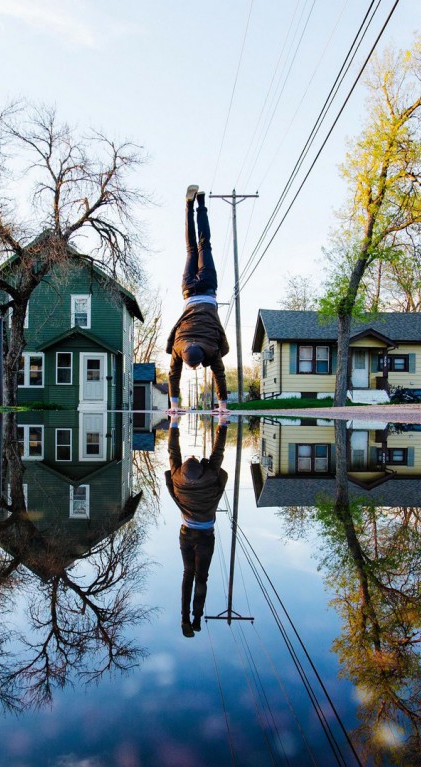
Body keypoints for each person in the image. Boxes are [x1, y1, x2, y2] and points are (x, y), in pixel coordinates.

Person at [166, 185, 229, 414]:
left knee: (204, 245)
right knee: (191, 250)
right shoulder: (179, 345)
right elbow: (173, 375)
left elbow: (220, 375)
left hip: (208, 288)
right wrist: (174, 406)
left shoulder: (209, 348)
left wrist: (223, 406)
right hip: (189, 290)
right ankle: (188, 205)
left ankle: (200, 204)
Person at [165, 416, 229, 637]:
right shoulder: (202, 476)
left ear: (183, 469)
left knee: (197, 576)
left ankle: (196, 619)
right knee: (189, 574)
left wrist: (223, 424)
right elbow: (174, 451)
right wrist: (173, 423)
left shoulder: (179, 477)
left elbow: (218, 452)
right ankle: (185, 617)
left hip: (202, 535)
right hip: (187, 534)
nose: (190, 456)